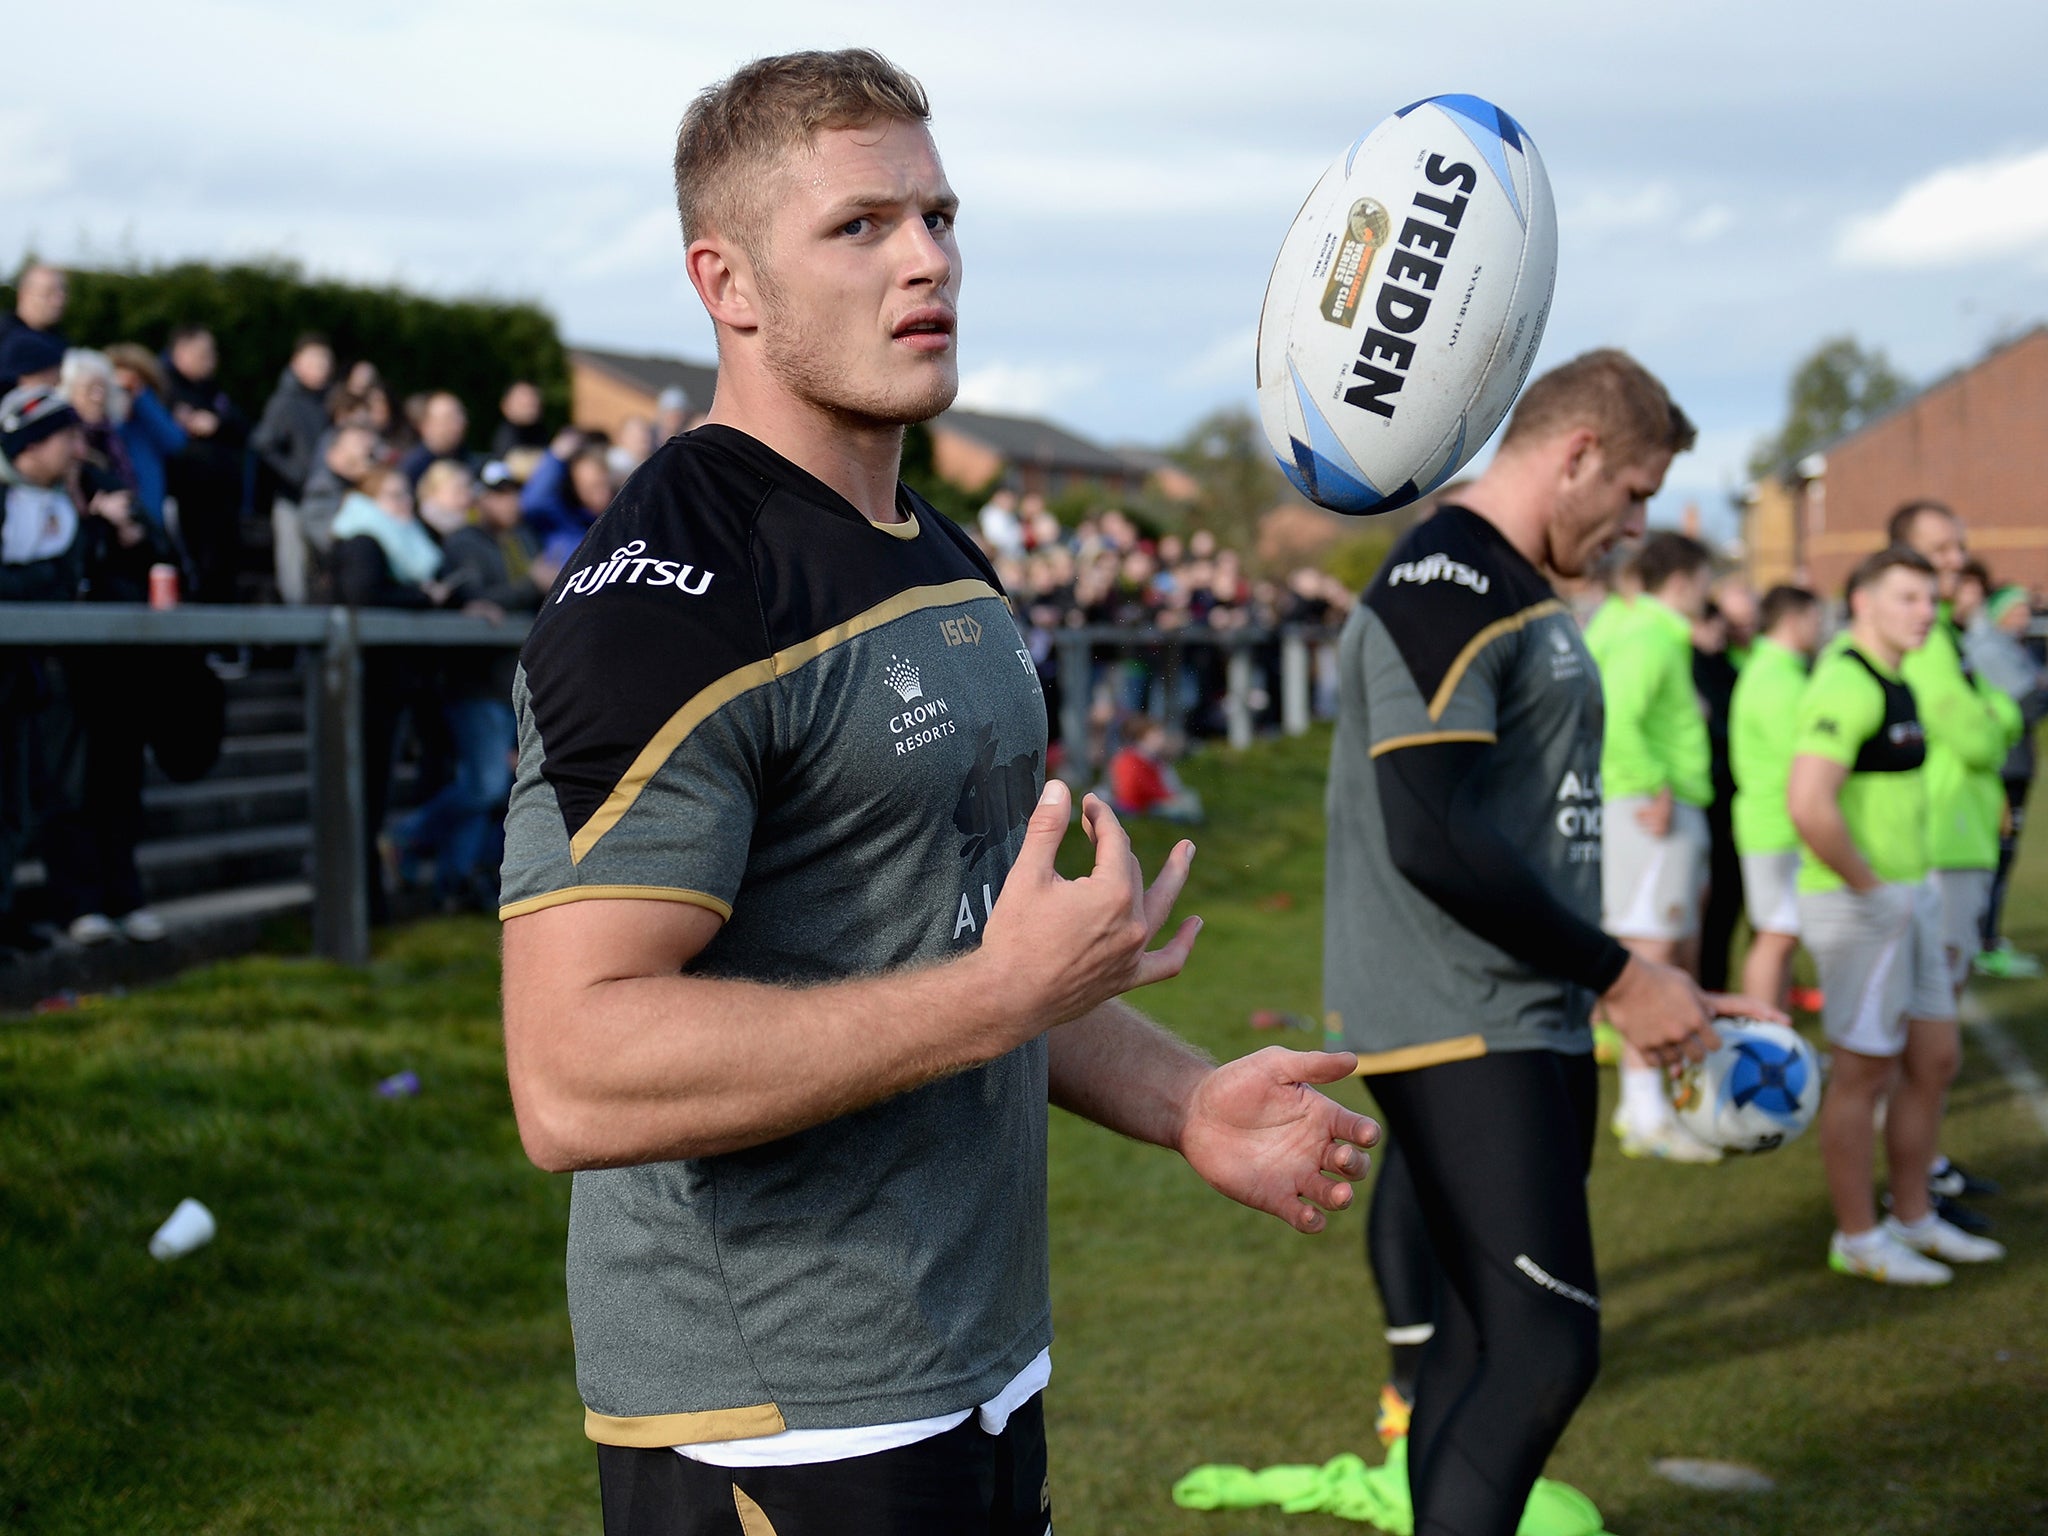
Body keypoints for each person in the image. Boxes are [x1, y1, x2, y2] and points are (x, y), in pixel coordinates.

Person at [498, 49, 1378, 1535]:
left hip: (974, 1363)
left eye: (939, 215)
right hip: (773, 1418)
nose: (928, 260)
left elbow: (964, 946)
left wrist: (1184, 1102)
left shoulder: (939, 553)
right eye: (861, 227)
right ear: (730, 282)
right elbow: (571, 1074)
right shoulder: (669, 603)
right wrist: (997, 998)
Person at [1326, 348, 1774, 1536]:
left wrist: (1637, 972)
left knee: (1486, 1343)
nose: (1635, 525)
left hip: (1516, 1006)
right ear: (1572, 455)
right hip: (1461, 1010)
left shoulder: (1510, 581)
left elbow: (1514, 825)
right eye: (1629, 493)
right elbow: (1429, 830)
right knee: (1541, 1352)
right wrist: (1621, 976)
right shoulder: (1444, 576)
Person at [1788, 547, 2004, 1284]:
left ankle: (1914, 1217)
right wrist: (1871, 886)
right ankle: (1858, 1237)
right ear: (1863, 604)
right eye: (1908, 598)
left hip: (1907, 895)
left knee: (1934, 1059)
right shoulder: (1846, 681)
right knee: (1864, 1072)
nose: (1925, 612)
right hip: (1860, 904)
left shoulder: (1898, 676)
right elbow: (1807, 803)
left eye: (1930, 600)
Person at [1585, 529, 1721, 1161]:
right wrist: (1653, 785)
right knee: (1650, 959)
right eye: (1705, 581)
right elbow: (1613, 713)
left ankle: (1654, 1103)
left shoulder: (1647, 631)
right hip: (1649, 810)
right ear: (1685, 581)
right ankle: (1644, 1115)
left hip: (1655, 806)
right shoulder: (1650, 635)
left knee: (1655, 953)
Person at [1, 385, 89, 954]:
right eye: (65, 437)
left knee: (17, 805)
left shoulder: (62, 502)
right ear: (31, 445)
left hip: (24, 681)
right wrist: (45, 580)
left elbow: (66, 582)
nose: (77, 449)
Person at [1729, 584, 1821, 1010]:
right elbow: (1802, 759)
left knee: (1782, 935)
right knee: (1776, 935)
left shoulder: (1776, 670)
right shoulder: (1774, 676)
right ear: (1793, 620)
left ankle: (1774, 1033)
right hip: (1774, 824)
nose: (1820, 629)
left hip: (1776, 823)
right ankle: (1763, 1035)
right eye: (1815, 619)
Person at [1964, 583, 2048, 976]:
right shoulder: (1989, 650)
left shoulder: (2010, 649)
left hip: (2015, 766)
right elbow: (2027, 702)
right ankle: (1982, 940)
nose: (2022, 617)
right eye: (2014, 609)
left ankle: (1986, 937)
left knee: (2003, 853)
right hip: (2003, 769)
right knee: (1997, 852)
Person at [160, 325, 251, 605]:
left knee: (223, 572)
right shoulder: (165, 388)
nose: (210, 359)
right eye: (202, 353)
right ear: (180, 352)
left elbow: (242, 426)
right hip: (189, 500)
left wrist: (217, 424)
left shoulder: (213, 391)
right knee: (196, 572)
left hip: (223, 502)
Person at [252, 335, 337, 603]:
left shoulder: (328, 404)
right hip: (292, 499)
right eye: (313, 361)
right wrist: (297, 477)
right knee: (295, 570)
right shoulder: (284, 403)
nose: (320, 367)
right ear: (295, 364)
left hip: (324, 500)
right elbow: (264, 446)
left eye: (325, 362)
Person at [1692, 599, 1743, 990]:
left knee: (1722, 906)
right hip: (1705, 800)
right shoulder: (1687, 664)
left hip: (1723, 800)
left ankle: (1713, 988)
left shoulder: (1725, 667)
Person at [103, 344, 188, 534]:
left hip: (152, 518)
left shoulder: (147, 422)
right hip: (119, 522)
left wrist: (142, 397)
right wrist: (116, 407)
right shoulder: (104, 427)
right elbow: (112, 443)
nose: (124, 393)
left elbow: (176, 442)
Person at [1106, 717, 1203, 823]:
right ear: (1144, 737)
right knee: (1187, 803)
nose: (1162, 739)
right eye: (1157, 735)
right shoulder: (1132, 759)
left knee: (1189, 798)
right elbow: (1135, 787)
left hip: (1147, 801)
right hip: (1139, 804)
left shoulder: (1150, 759)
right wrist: (1167, 797)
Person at [400, 391, 470, 489]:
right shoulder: (412, 468)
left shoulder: (469, 459)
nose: (459, 423)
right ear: (426, 425)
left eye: (460, 415)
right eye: (448, 418)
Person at [491, 380, 548, 458]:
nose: (532, 401)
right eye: (523, 398)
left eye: (533, 396)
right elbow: (514, 462)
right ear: (505, 406)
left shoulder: (539, 431)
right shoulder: (506, 437)